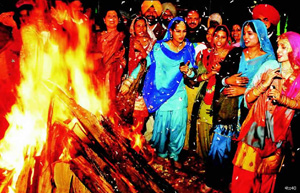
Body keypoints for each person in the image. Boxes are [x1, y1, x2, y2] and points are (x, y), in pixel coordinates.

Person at [201, 20, 276, 192]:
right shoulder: (235, 53)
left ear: (261, 35)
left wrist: (244, 90)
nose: (245, 37)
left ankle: (231, 183)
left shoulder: (269, 61)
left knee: (241, 152)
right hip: (228, 109)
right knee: (219, 146)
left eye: (251, 33)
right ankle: (212, 181)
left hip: (252, 112)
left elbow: (269, 89)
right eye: (245, 33)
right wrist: (228, 80)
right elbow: (220, 79)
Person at [120, 17, 197, 166]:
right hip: (161, 96)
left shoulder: (188, 48)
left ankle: (174, 157)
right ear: (171, 31)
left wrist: (188, 72)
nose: (181, 35)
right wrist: (129, 81)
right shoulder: (159, 48)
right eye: (178, 31)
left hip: (178, 94)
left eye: (184, 31)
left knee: (178, 128)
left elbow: (194, 74)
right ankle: (161, 157)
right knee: (161, 131)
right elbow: (144, 65)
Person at [231, 31, 300, 193]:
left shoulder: (298, 80)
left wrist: (282, 99)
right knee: (243, 180)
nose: (279, 50)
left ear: (295, 51)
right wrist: (264, 84)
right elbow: (248, 99)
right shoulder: (270, 68)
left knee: (265, 183)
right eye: (278, 46)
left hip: (277, 135)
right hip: (255, 129)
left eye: (284, 47)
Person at [187, 25, 232, 162]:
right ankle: (203, 164)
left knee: (218, 137)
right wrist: (210, 74)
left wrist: (221, 71)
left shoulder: (232, 55)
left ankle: (213, 168)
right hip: (204, 98)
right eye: (216, 36)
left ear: (227, 39)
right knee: (202, 131)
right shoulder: (205, 54)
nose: (219, 40)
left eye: (223, 37)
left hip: (223, 101)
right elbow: (197, 78)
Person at [90, 7, 127, 116]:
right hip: (98, 75)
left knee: (112, 108)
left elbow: (127, 58)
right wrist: (101, 56)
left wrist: (119, 60)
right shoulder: (97, 37)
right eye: (109, 16)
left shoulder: (123, 37)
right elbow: (89, 55)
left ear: (119, 19)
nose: (112, 18)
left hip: (115, 77)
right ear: (104, 20)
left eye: (114, 16)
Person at [127, 16, 156, 132]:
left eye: (144, 25)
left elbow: (151, 63)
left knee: (140, 120)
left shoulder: (153, 43)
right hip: (129, 82)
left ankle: (138, 143)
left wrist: (141, 50)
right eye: (138, 26)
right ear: (133, 28)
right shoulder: (127, 41)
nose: (141, 28)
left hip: (145, 84)